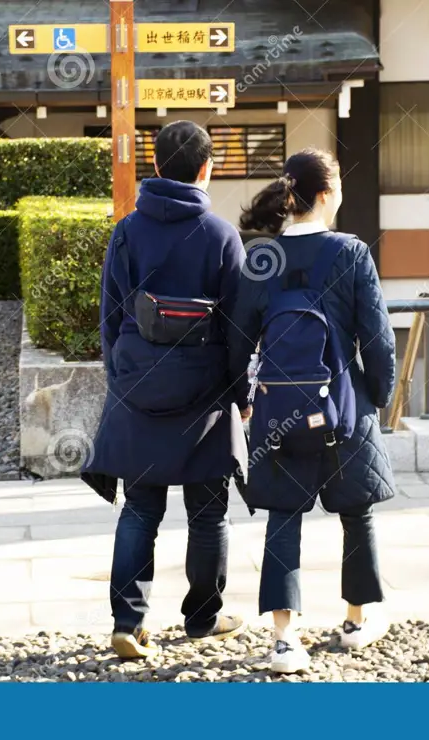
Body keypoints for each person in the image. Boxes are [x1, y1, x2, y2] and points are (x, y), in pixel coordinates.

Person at [82, 121, 252, 659]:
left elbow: (110, 316)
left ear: (155, 167)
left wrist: (122, 378)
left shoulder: (128, 231)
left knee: (139, 509)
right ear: (207, 169)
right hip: (203, 392)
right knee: (208, 512)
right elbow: (239, 328)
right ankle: (203, 618)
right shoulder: (222, 235)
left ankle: (128, 624)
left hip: (140, 387)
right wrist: (239, 394)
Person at [229, 148, 397, 674]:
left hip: (280, 414)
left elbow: (236, 343)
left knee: (283, 516)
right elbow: (379, 341)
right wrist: (377, 396)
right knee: (356, 511)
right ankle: (355, 621)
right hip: (344, 408)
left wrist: (244, 402)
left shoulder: (261, 257)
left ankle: (284, 639)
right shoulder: (350, 253)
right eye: (339, 185)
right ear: (324, 194)